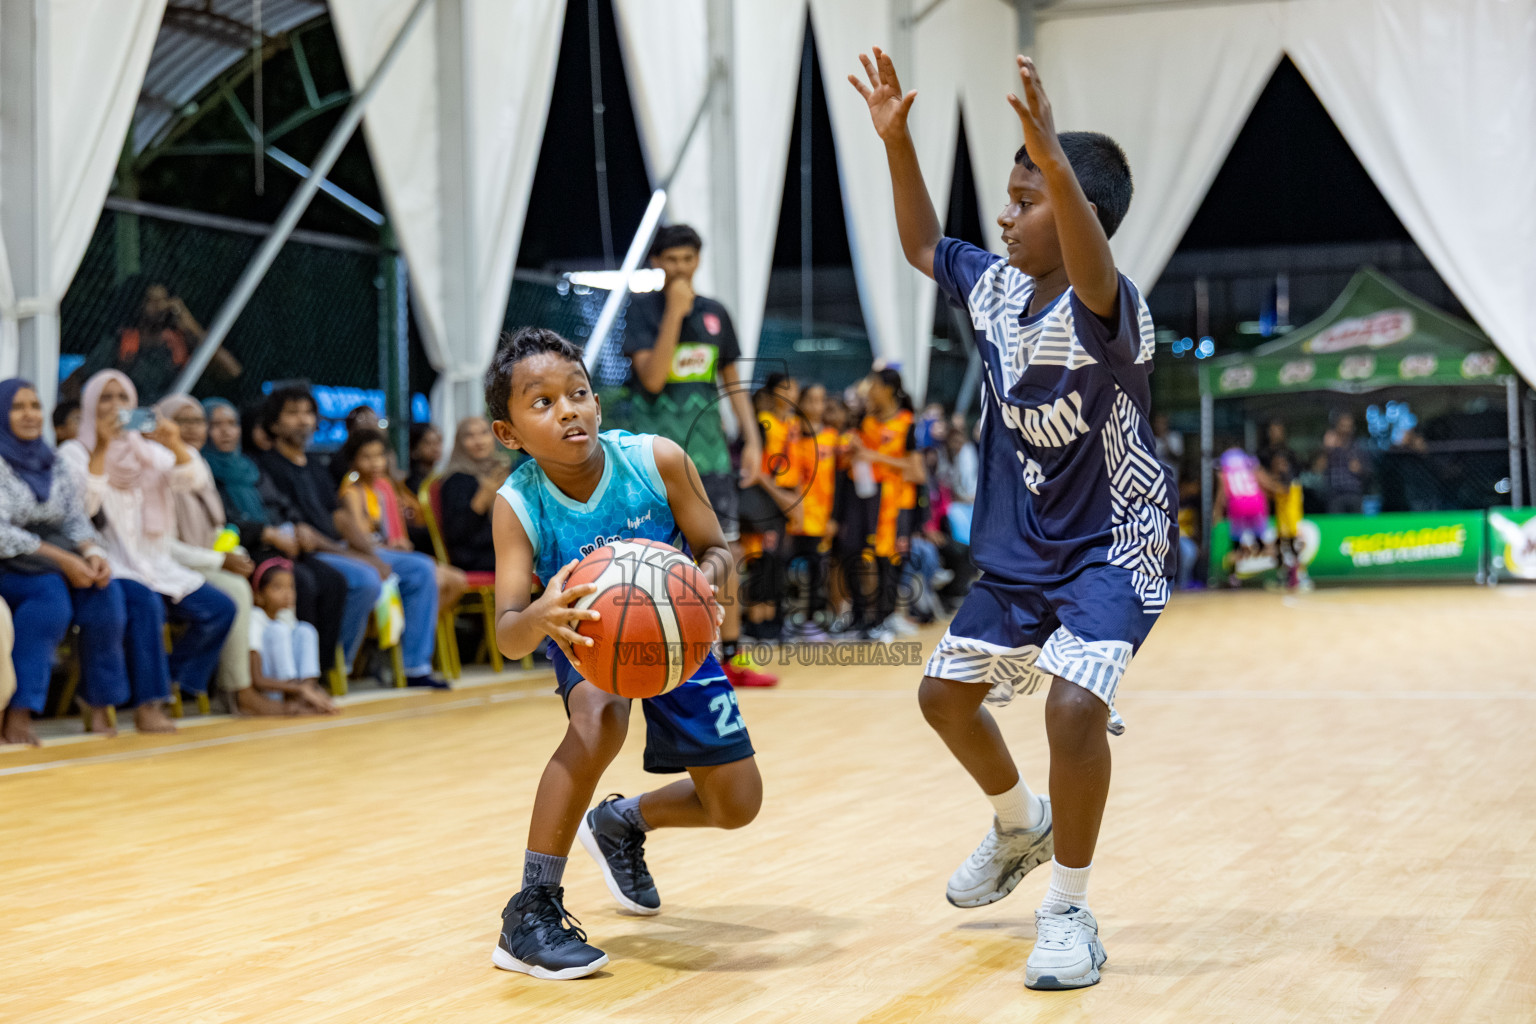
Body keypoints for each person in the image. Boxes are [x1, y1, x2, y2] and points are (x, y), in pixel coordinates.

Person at [852, 48, 1176, 988]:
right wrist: (896, 140)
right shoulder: (992, 288)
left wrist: (1057, 161)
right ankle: (1016, 823)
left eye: (1026, 198)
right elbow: (921, 245)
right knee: (942, 698)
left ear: (1077, 214)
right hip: (1028, 546)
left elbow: (1085, 245)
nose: (1006, 213)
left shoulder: (1111, 309)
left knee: (1073, 709)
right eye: (1008, 193)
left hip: (1118, 544)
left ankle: (1069, 911)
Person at [484, 327, 762, 980]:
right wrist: (540, 617)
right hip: (582, 639)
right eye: (542, 402)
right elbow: (506, 632)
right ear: (509, 433)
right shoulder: (518, 503)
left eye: (578, 393)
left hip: (675, 637)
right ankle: (531, 908)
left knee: (736, 804)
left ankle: (621, 821)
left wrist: (713, 577)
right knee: (599, 718)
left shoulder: (657, 459)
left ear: (598, 403)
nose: (568, 410)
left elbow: (717, 546)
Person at [618, 223, 775, 688]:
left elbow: (731, 382)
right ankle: (664, 652)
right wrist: (673, 313)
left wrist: (752, 440)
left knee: (723, 549)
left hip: (709, 454)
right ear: (656, 263)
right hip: (655, 457)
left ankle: (735, 656)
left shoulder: (716, 314)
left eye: (688, 259)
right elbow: (652, 377)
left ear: (698, 260)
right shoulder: (644, 309)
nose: (680, 268)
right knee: (658, 553)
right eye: (671, 260)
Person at [60, 371, 238, 716]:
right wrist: (100, 447)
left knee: (220, 609)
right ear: (90, 405)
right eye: (105, 399)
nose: (115, 407)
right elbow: (83, 509)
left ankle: (172, 678)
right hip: (113, 564)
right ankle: (149, 704)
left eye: (123, 398)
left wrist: (174, 443)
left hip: (158, 564)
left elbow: (193, 480)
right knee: (146, 605)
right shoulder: (75, 451)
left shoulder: (149, 451)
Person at [0, 378, 163, 743]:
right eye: (17, 407)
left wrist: (92, 554)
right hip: (12, 563)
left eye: (35, 406)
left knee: (107, 593)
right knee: (50, 602)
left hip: (54, 560)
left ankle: (99, 701)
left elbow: (75, 518)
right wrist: (64, 560)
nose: (29, 415)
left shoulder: (50, 460)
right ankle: (19, 712)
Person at [255, 385, 444, 689]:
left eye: (307, 413)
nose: (302, 420)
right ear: (274, 423)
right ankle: (335, 665)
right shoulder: (266, 467)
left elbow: (340, 517)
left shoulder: (316, 466)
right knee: (366, 579)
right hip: (314, 553)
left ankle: (414, 666)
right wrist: (362, 558)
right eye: (292, 413)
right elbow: (306, 537)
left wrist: (368, 548)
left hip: (341, 548)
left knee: (421, 569)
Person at [201, 398, 350, 694]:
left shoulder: (249, 467)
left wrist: (294, 529)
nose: (226, 432)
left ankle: (314, 676)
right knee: (301, 583)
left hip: (279, 546)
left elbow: (281, 504)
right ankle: (285, 682)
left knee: (333, 581)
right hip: (245, 549)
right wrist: (267, 533)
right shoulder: (202, 470)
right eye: (215, 425)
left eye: (231, 424)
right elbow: (222, 523)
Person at [156, 394, 258, 702]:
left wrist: (234, 555)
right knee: (235, 590)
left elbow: (216, 527)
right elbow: (164, 546)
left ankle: (202, 683)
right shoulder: (156, 466)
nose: (193, 429)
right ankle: (238, 690)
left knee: (262, 577)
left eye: (199, 421)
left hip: (201, 559)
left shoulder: (196, 462)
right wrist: (218, 561)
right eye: (182, 421)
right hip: (169, 564)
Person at [338, 427, 468, 618]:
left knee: (457, 581)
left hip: (392, 553)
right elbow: (362, 539)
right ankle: (412, 633)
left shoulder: (385, 488)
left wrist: (400, 544)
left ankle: (413, 626)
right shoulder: (352, 492)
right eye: (366, 457)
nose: (375, 463)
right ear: (353, 461)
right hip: (371, 555)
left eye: (379, 456)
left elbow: (400, 534)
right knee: (435, 579)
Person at [845, 368, 924, 641]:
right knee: (856, 553)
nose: (870, 391)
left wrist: (875, 457)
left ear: (888, 389)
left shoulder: (907, 423)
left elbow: (917, 471)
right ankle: (862, 616)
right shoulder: (866, 422)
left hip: (896, 502)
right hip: (866, 497)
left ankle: (885, 616)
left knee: (889, 559)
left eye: (874, 385)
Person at [66, 281, 242, 404]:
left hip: (173, 419)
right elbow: (74, 380)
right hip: (130, 420)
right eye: (152, 300)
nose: (160, 306)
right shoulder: (122, 342)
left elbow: (231, 371)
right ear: (137, 304)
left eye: (164, 300)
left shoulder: (181, 341)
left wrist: (191, 326)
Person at [246, 558, 339, 715]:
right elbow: (257, 679)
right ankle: (296, 697)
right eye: (278, 587)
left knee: (306, 630)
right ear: (259, 596)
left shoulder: (286, 617)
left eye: (291, 587)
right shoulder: (255, 618)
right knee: (278, 630)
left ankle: (307, 692)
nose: (287, 593)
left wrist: (305, 689)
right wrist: (297, 688)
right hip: (273, 691)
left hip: (297, 688)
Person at [784, 383, 839, 641]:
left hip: (821, 519)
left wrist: (834, 518)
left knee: (818, 571)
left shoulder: (831, 437)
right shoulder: (791, 432)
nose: (816, 406)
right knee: (782, 567)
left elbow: (838, 482)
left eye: (821, 400)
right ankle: (782, 620)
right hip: (792, 517)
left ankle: (811, 621)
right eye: (811, 400)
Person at [437, 416, 512, 573]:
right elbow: (456, 534)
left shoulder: (500, 471)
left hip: (499, 548)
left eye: (484, 433)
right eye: (469, 436)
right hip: (473, 556)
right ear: (460, 443)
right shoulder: (457, 479)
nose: (479, 441)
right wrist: (481, 500)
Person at [1315, 410, 1368, 514]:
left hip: (1354, 495)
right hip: (1335, 496)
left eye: (1349, 426)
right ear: (1337, 427)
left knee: (1356, 527)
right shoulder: (1329, 446)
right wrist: (1326, 449)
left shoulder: (1358, 447)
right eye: (1343, 426)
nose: (1346, 429)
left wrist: (1360, 469)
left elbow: (1369, 472)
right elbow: (1318, 469)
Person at [406, 422, 443, 495]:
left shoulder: (439, 478)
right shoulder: (411, 484)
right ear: (414, 449)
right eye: (428, 443)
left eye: (438, 442)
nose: (435, 448)